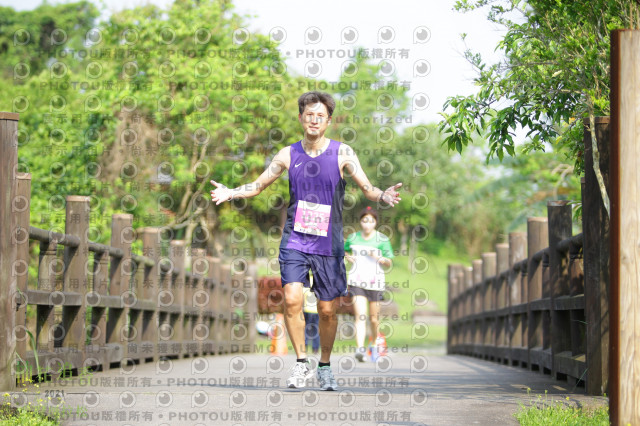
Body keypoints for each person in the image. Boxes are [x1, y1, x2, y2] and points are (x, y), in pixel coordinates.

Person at [210, 91, 402, 391]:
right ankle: (301, 362)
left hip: (329, 243)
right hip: (296, 239)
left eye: (320, 116)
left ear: (328, 121)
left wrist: (383, 195)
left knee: (327, 310)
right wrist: (231, 192)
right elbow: (258, 185)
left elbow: (367, 188)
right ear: (301, 118)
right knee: (291, 299)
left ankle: (324, 366)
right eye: (309, 114)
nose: (314, 120)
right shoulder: (288, 154)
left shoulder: (343, 153)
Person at [344, 206, 394, 362]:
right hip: (356, 281)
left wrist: (378, 258)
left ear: (375, 222)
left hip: (375, 282)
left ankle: (374, 344)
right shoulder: (353, 238)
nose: (367, 224)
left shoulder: (382, 239)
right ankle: (360, 349)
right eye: (364, 221)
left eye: (371, 221)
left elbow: (389, 262)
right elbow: (344, 251)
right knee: (360, 316)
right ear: (360, 222)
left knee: (374, 319)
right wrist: (348, 257)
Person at [302, 284, 320, 354]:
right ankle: (315, 348)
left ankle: (305, 346)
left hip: (307, 310)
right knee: (316, 330)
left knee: (306, 329)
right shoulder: (319, 286)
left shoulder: (305, 287)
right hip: (316, 311)